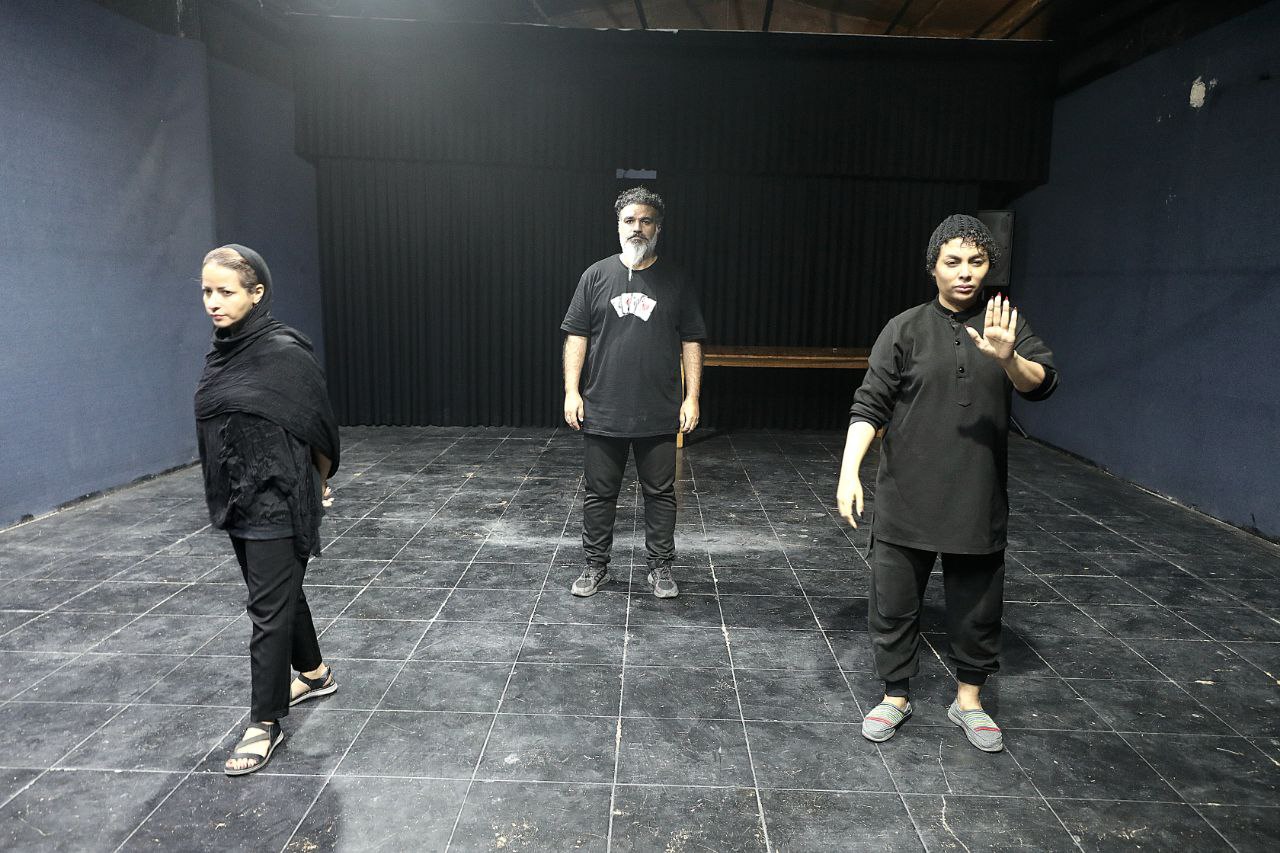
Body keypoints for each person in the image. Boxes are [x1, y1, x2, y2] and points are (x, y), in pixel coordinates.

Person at [836, 215, 1058, 752]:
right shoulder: (904, 328)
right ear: (933, 267)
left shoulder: (1005, 323)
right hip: (906, 495)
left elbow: (1043, 383)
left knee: (978, 608)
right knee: (893, 602)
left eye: (976, 262)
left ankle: (969, 701)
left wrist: (1009, 358)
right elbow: (870, 405)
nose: (965, 273)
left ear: (988, 267)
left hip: (976, 498)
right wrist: (848, 471)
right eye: (952, 262)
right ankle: (895, 695)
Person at [194, 244, 342, 775]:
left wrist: (317, 486)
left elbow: (319, 427)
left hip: (279, 496)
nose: (213, 302)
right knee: (278, 592)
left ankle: (265, 721)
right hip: (237, 494)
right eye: (207, 292)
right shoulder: (223, 353)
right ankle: (316, 674)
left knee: (266, 609)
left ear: (257, 293)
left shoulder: (283, 351)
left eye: (225, 291)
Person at [561, 187, 706, 599]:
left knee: (660, 494)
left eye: (645, 221)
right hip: (603, 405)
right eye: (629, 220)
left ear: (658, 227)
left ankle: (660, 567)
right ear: (618, 225)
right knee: (599, 493)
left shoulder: (676, 279)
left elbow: (692, 340)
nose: (637, 228)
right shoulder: (595, 276)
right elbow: (576, 336)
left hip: (658, 408)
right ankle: (596, 566)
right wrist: (572, 391)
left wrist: (691, 397)